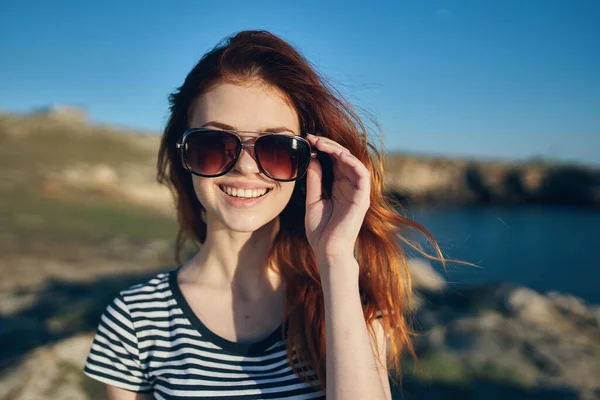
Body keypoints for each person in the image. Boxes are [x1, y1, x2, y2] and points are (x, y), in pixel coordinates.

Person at [83, 30, 441, 400]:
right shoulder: (135, 320)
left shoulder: (346, 305)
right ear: (184, 155)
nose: (245, 167)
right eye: (213, 144)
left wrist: (334, 260)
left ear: (307, 163)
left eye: (277, 148)